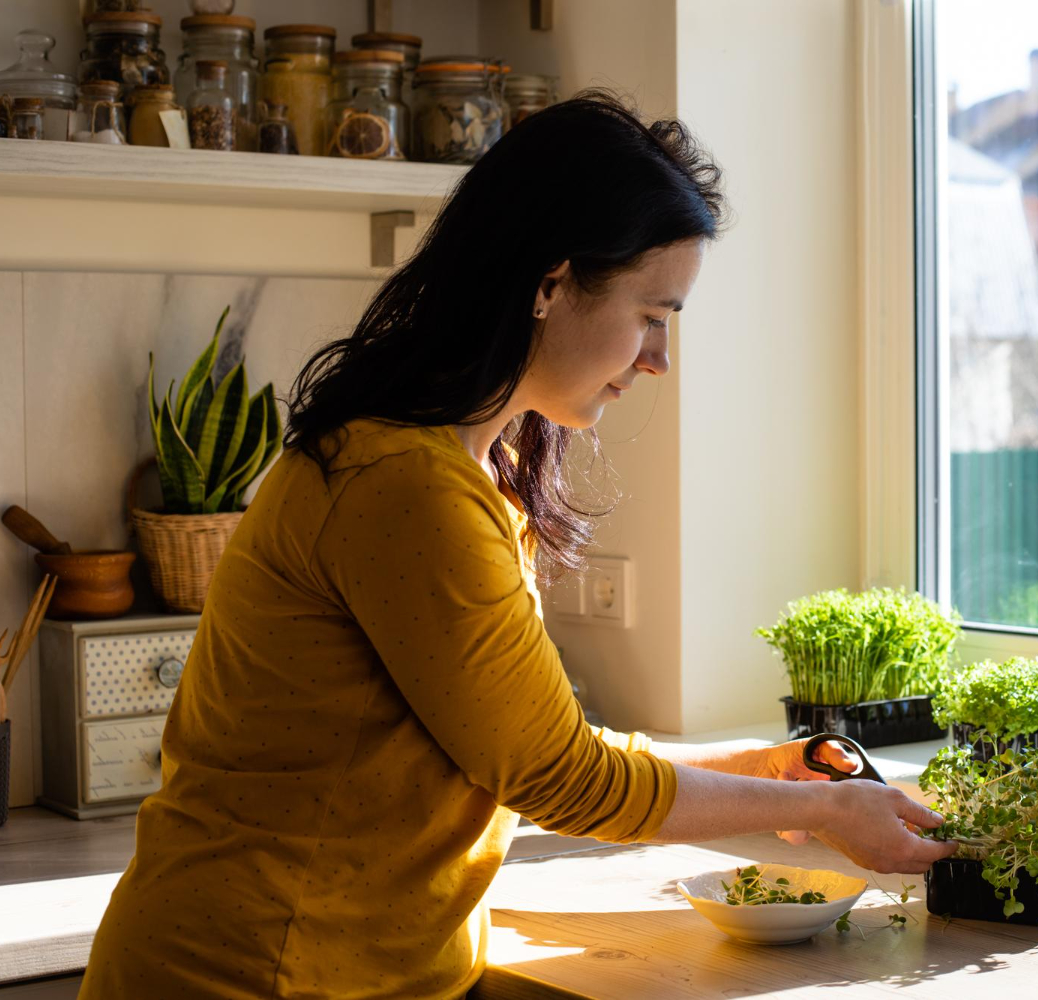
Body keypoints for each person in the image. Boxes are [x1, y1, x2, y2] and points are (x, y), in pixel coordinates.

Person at [79, 91, 955, 1000]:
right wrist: (823, 806)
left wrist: (759, 766)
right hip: (253, 972)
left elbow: (531, 736)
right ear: (550, 284)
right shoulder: (405, 487)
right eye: (653, 314)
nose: (658, 359)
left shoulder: (467, 470)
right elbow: (558, 778)